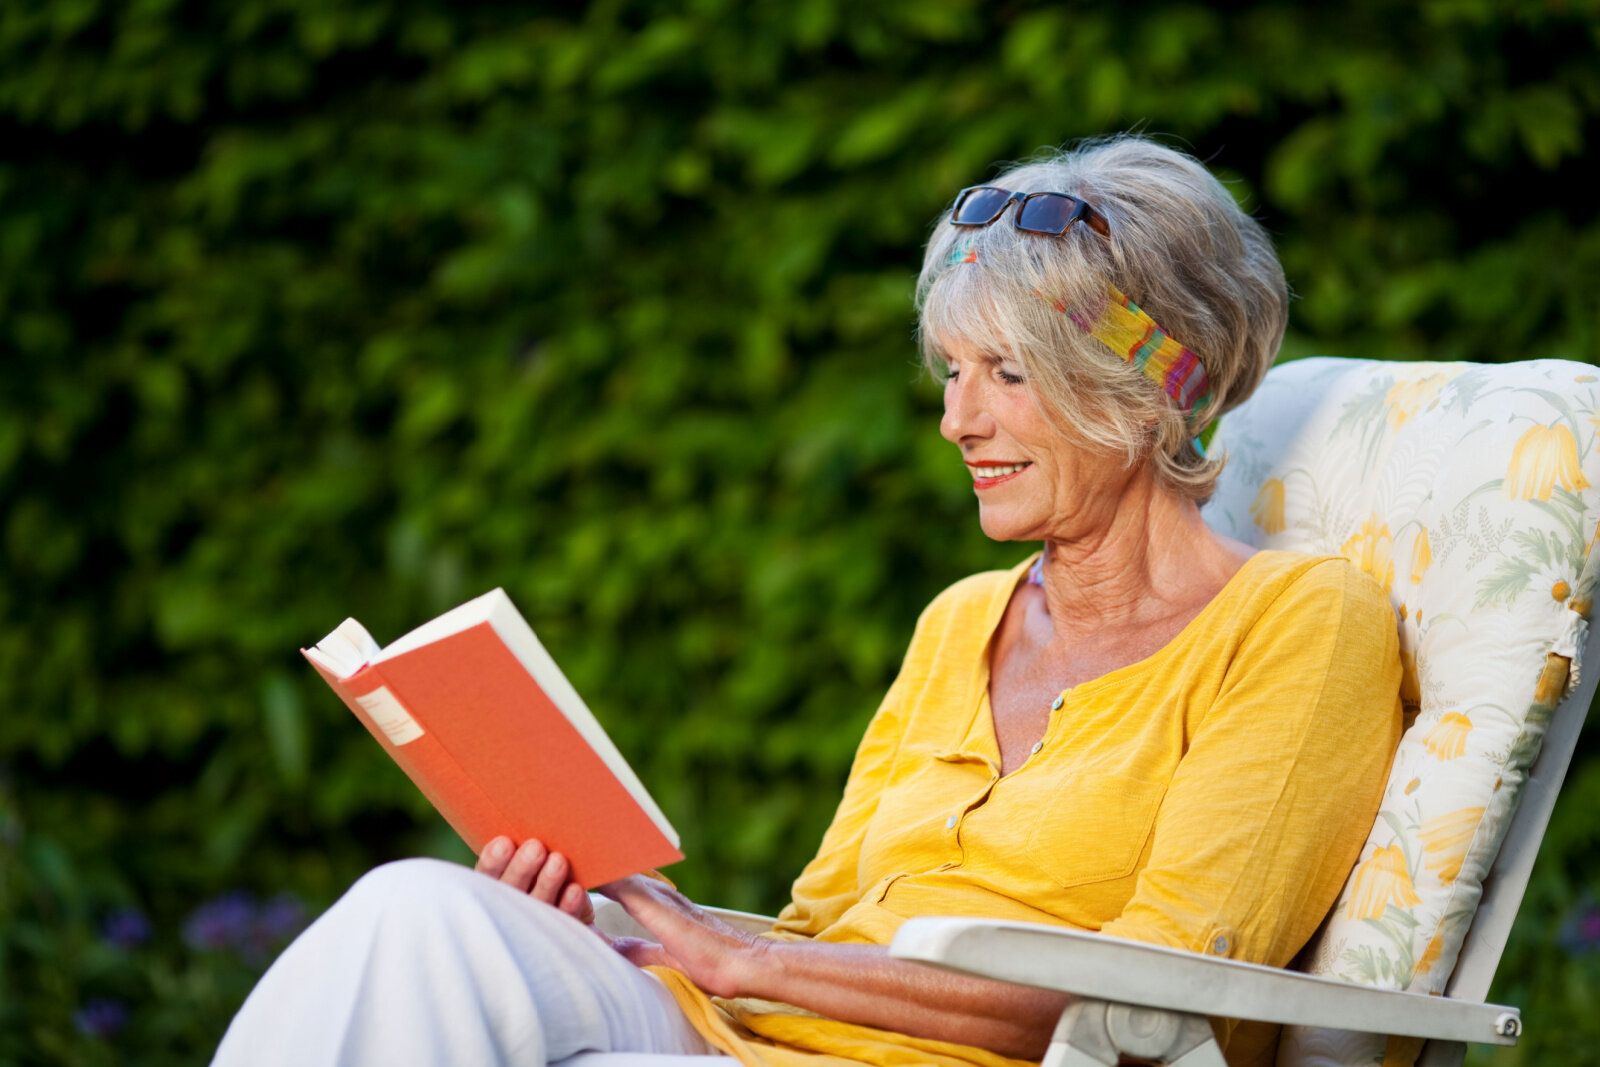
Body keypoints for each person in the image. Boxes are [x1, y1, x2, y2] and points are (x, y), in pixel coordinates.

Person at [212, 135, 1402, 1067]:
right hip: (758, 1031)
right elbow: (814, 923)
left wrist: (744, 967)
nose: (956, 420)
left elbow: (1159, 988)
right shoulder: (960, 620)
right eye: (951, 371)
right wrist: (631, 922)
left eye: (1006, 373)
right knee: (417, 910)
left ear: (1142, 391)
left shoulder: (1297, 621)